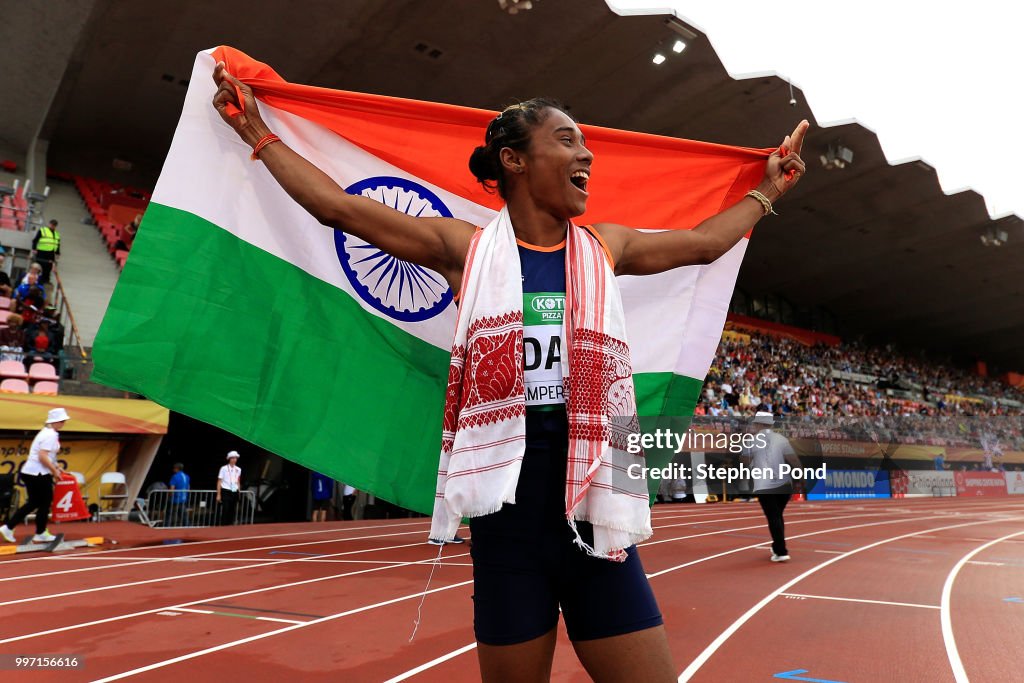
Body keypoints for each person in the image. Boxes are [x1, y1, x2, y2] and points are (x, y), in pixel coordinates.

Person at [212, 63, 806, 681]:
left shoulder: (608, 247)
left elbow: (706, 244)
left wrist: (770, 191)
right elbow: (338, 208)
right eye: (568, 139)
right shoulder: (466, 250)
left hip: (597, 509)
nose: (587, 155)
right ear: (514, 160)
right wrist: (258, 131)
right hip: (508, 520)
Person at [0, 408, 70, 544]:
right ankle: (40, 533)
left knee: (34, 502)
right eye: (62, 421)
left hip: (32, 472)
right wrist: (54, 472)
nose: (63, 423)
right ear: (55, 421)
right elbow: (42, 456)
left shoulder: (47, 433)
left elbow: (50, 456)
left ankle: (9, 527)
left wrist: (57, 468)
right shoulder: (50, 435)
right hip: (38, 473)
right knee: (44, 502)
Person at [742, 411, 802, 562]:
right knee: (777, 515)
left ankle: (781, 551)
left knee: (774, 517)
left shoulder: (752, 440)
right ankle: (777, 546)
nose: (754, 426)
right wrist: (800, 479)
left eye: (755, 423)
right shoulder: (781, 439)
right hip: (784, 485)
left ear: (760, 424)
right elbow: (794, 460)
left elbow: (744, 460)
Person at [216, 450, 242, 525]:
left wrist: (239, 491)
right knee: (225, 509)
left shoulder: (238, 469)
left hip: (234, 490)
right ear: (229, 459)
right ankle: (224, 525)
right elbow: (219, 481)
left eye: (236, 458)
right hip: (225, 490)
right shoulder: (223, 468)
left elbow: (238, 480)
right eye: (233, 458)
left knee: (232, 509)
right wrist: (218, 494)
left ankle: (230, 525)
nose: (234, 460)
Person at [31, 220, 61, 285]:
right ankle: (34, 280)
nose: (53, 226)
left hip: (51, 253)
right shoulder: (43, 230)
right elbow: (35, 240)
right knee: (38, 267)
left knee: (48, 268)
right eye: (52, 224)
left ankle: (45, 281)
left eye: (54, 225)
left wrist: (58, 253)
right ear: (49, 224)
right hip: (42, 252)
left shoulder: (57, 234)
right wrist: (34, 248)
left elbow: (57, 244)